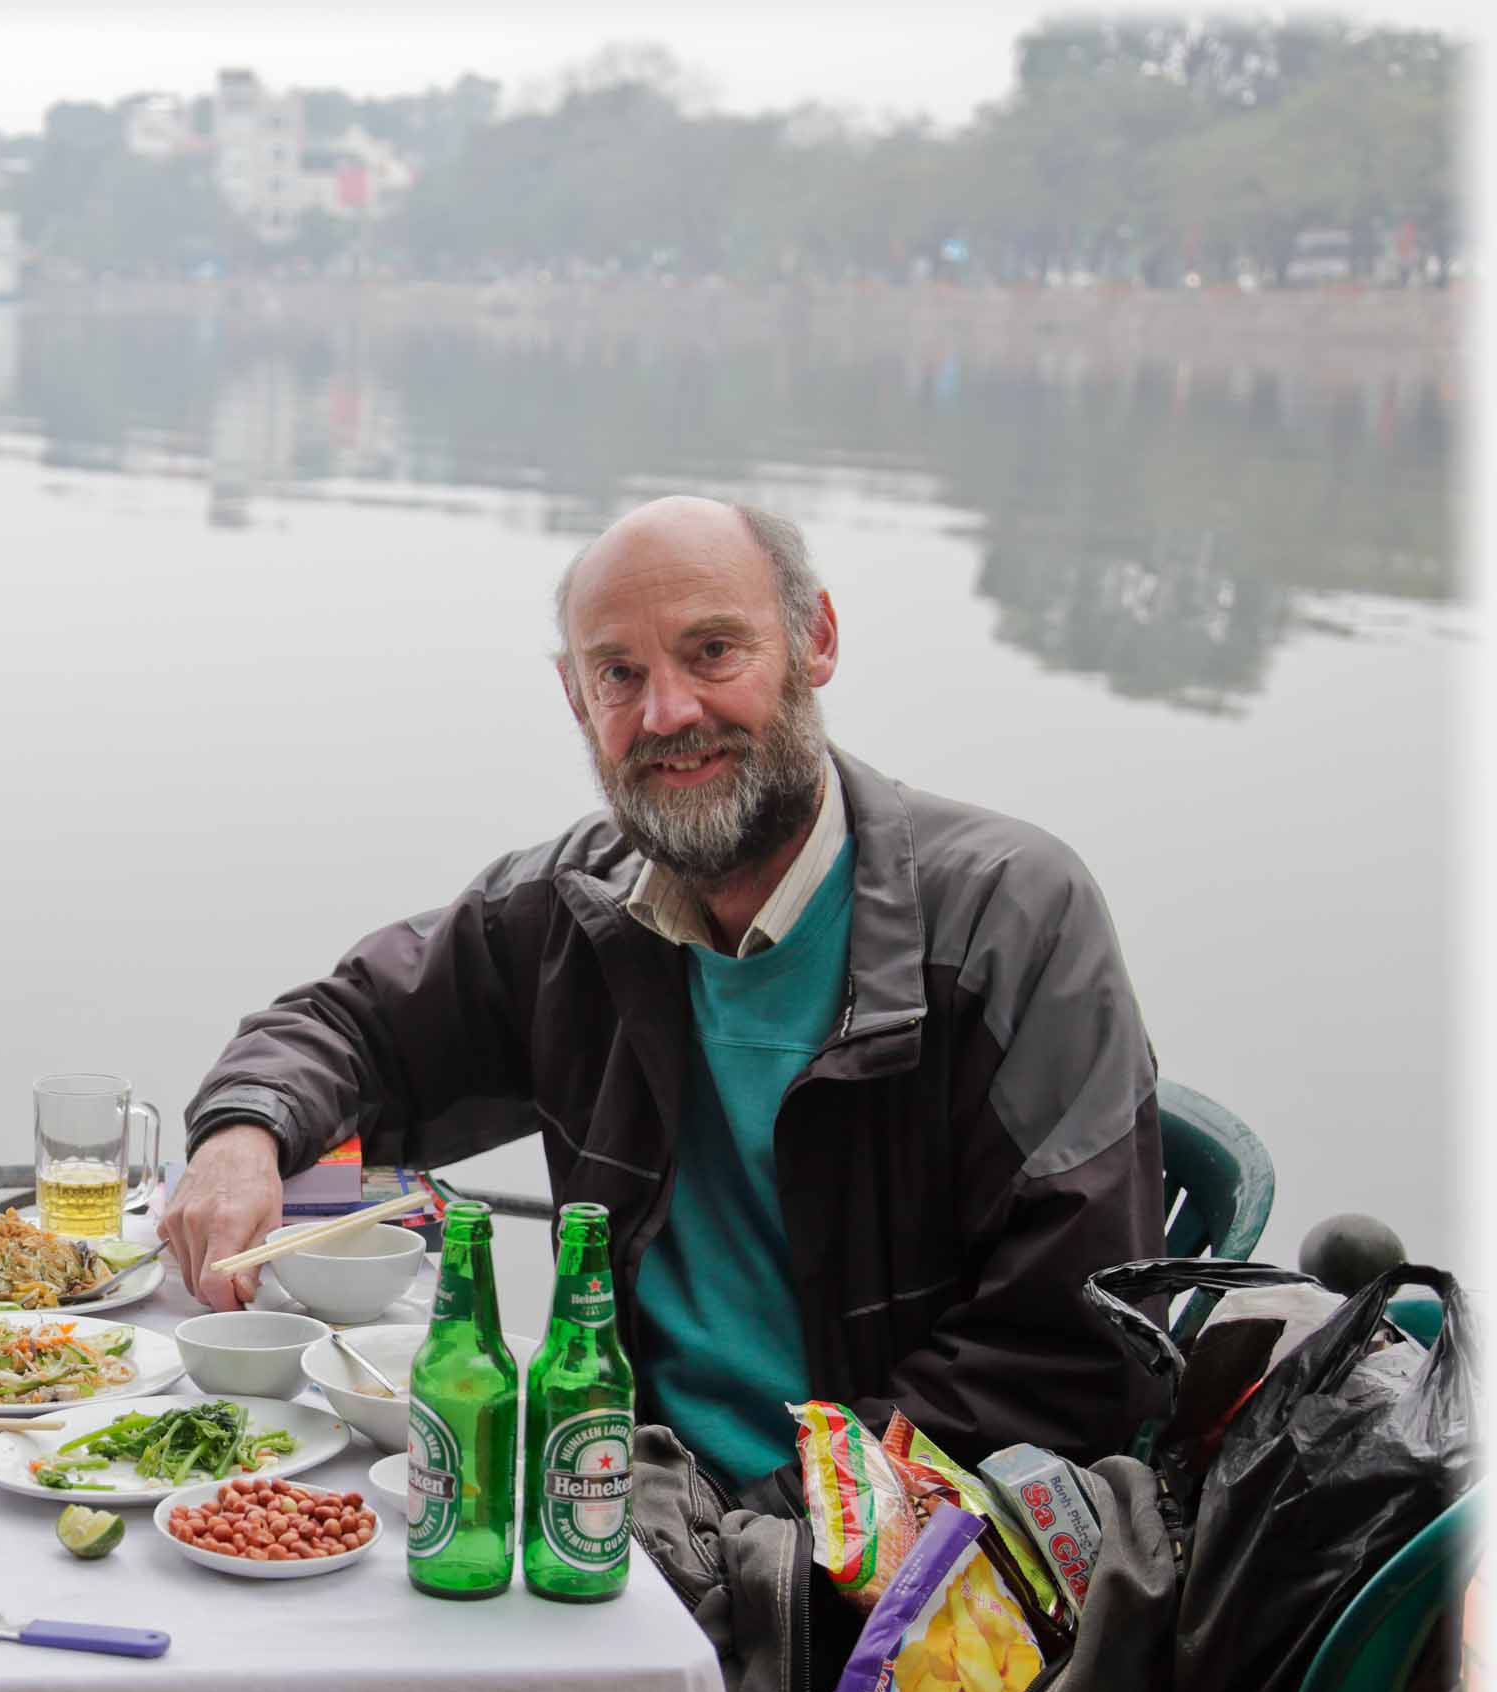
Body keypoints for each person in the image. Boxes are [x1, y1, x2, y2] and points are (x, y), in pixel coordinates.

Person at [160, 497, 1163, 1482]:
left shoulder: (1010, 917)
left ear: (815, 641)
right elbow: (354, 1024)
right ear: (575, 698)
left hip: (890, 1571)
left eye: (713, 653)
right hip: (621, 1493)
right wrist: (242, 1135)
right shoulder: (580, 906)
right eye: (620, 674)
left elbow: (1066, 1360)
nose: (668, 713)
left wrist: (758, 1539)